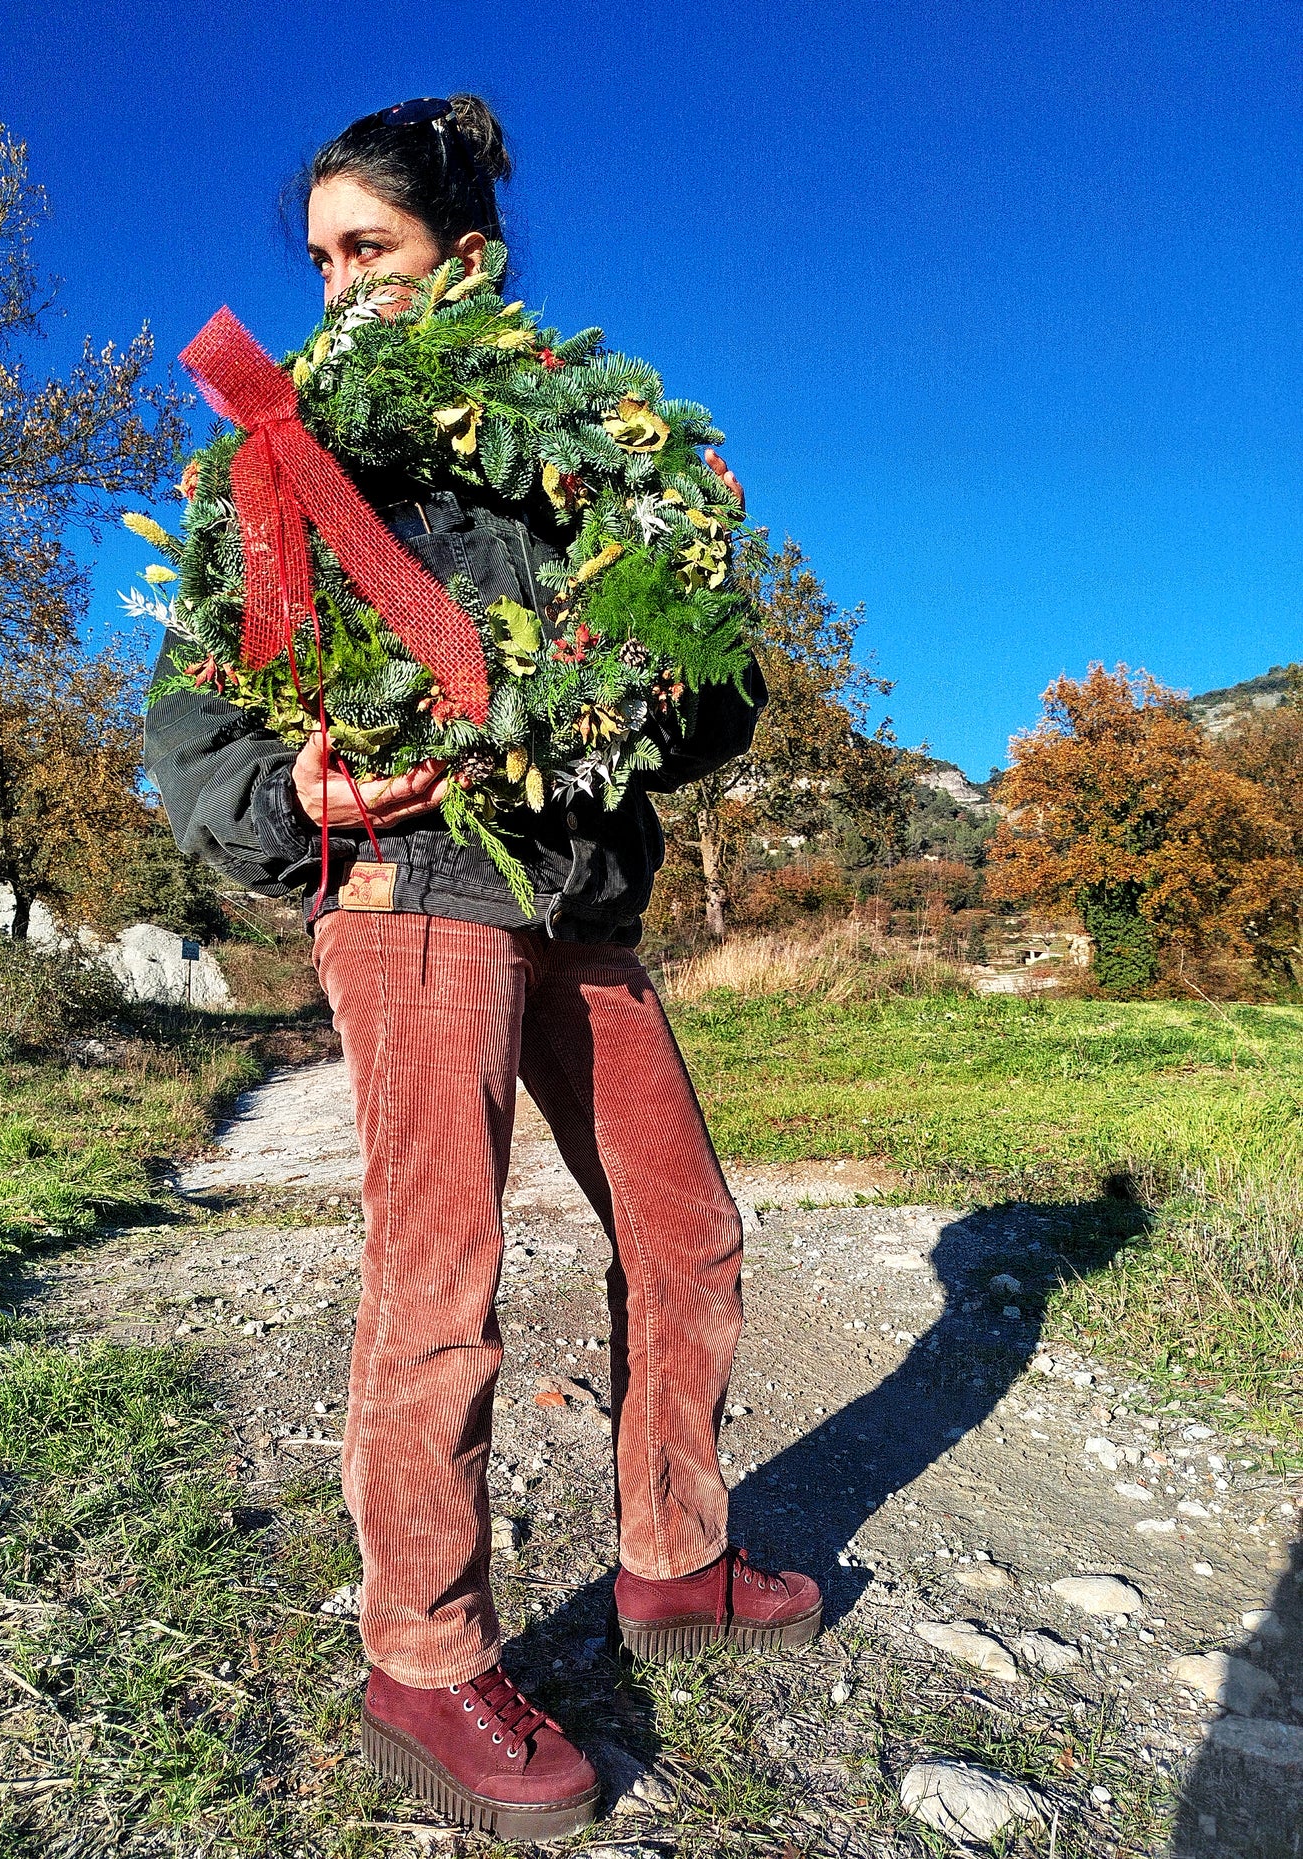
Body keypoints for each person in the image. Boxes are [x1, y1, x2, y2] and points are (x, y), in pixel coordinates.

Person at [145, 94, 820, 1843]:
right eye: (317, 259)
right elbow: (200, 715)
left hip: (579, 900)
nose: (336, 289)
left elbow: (704, 709)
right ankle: (422, 1662)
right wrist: (288, 789)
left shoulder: (597, 442)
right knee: (440, 1275)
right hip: (413, 889)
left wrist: (694, 614)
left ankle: (675, 1557)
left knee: (688, 1234)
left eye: (366, 249)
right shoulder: (283, 453)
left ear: (466, 254)